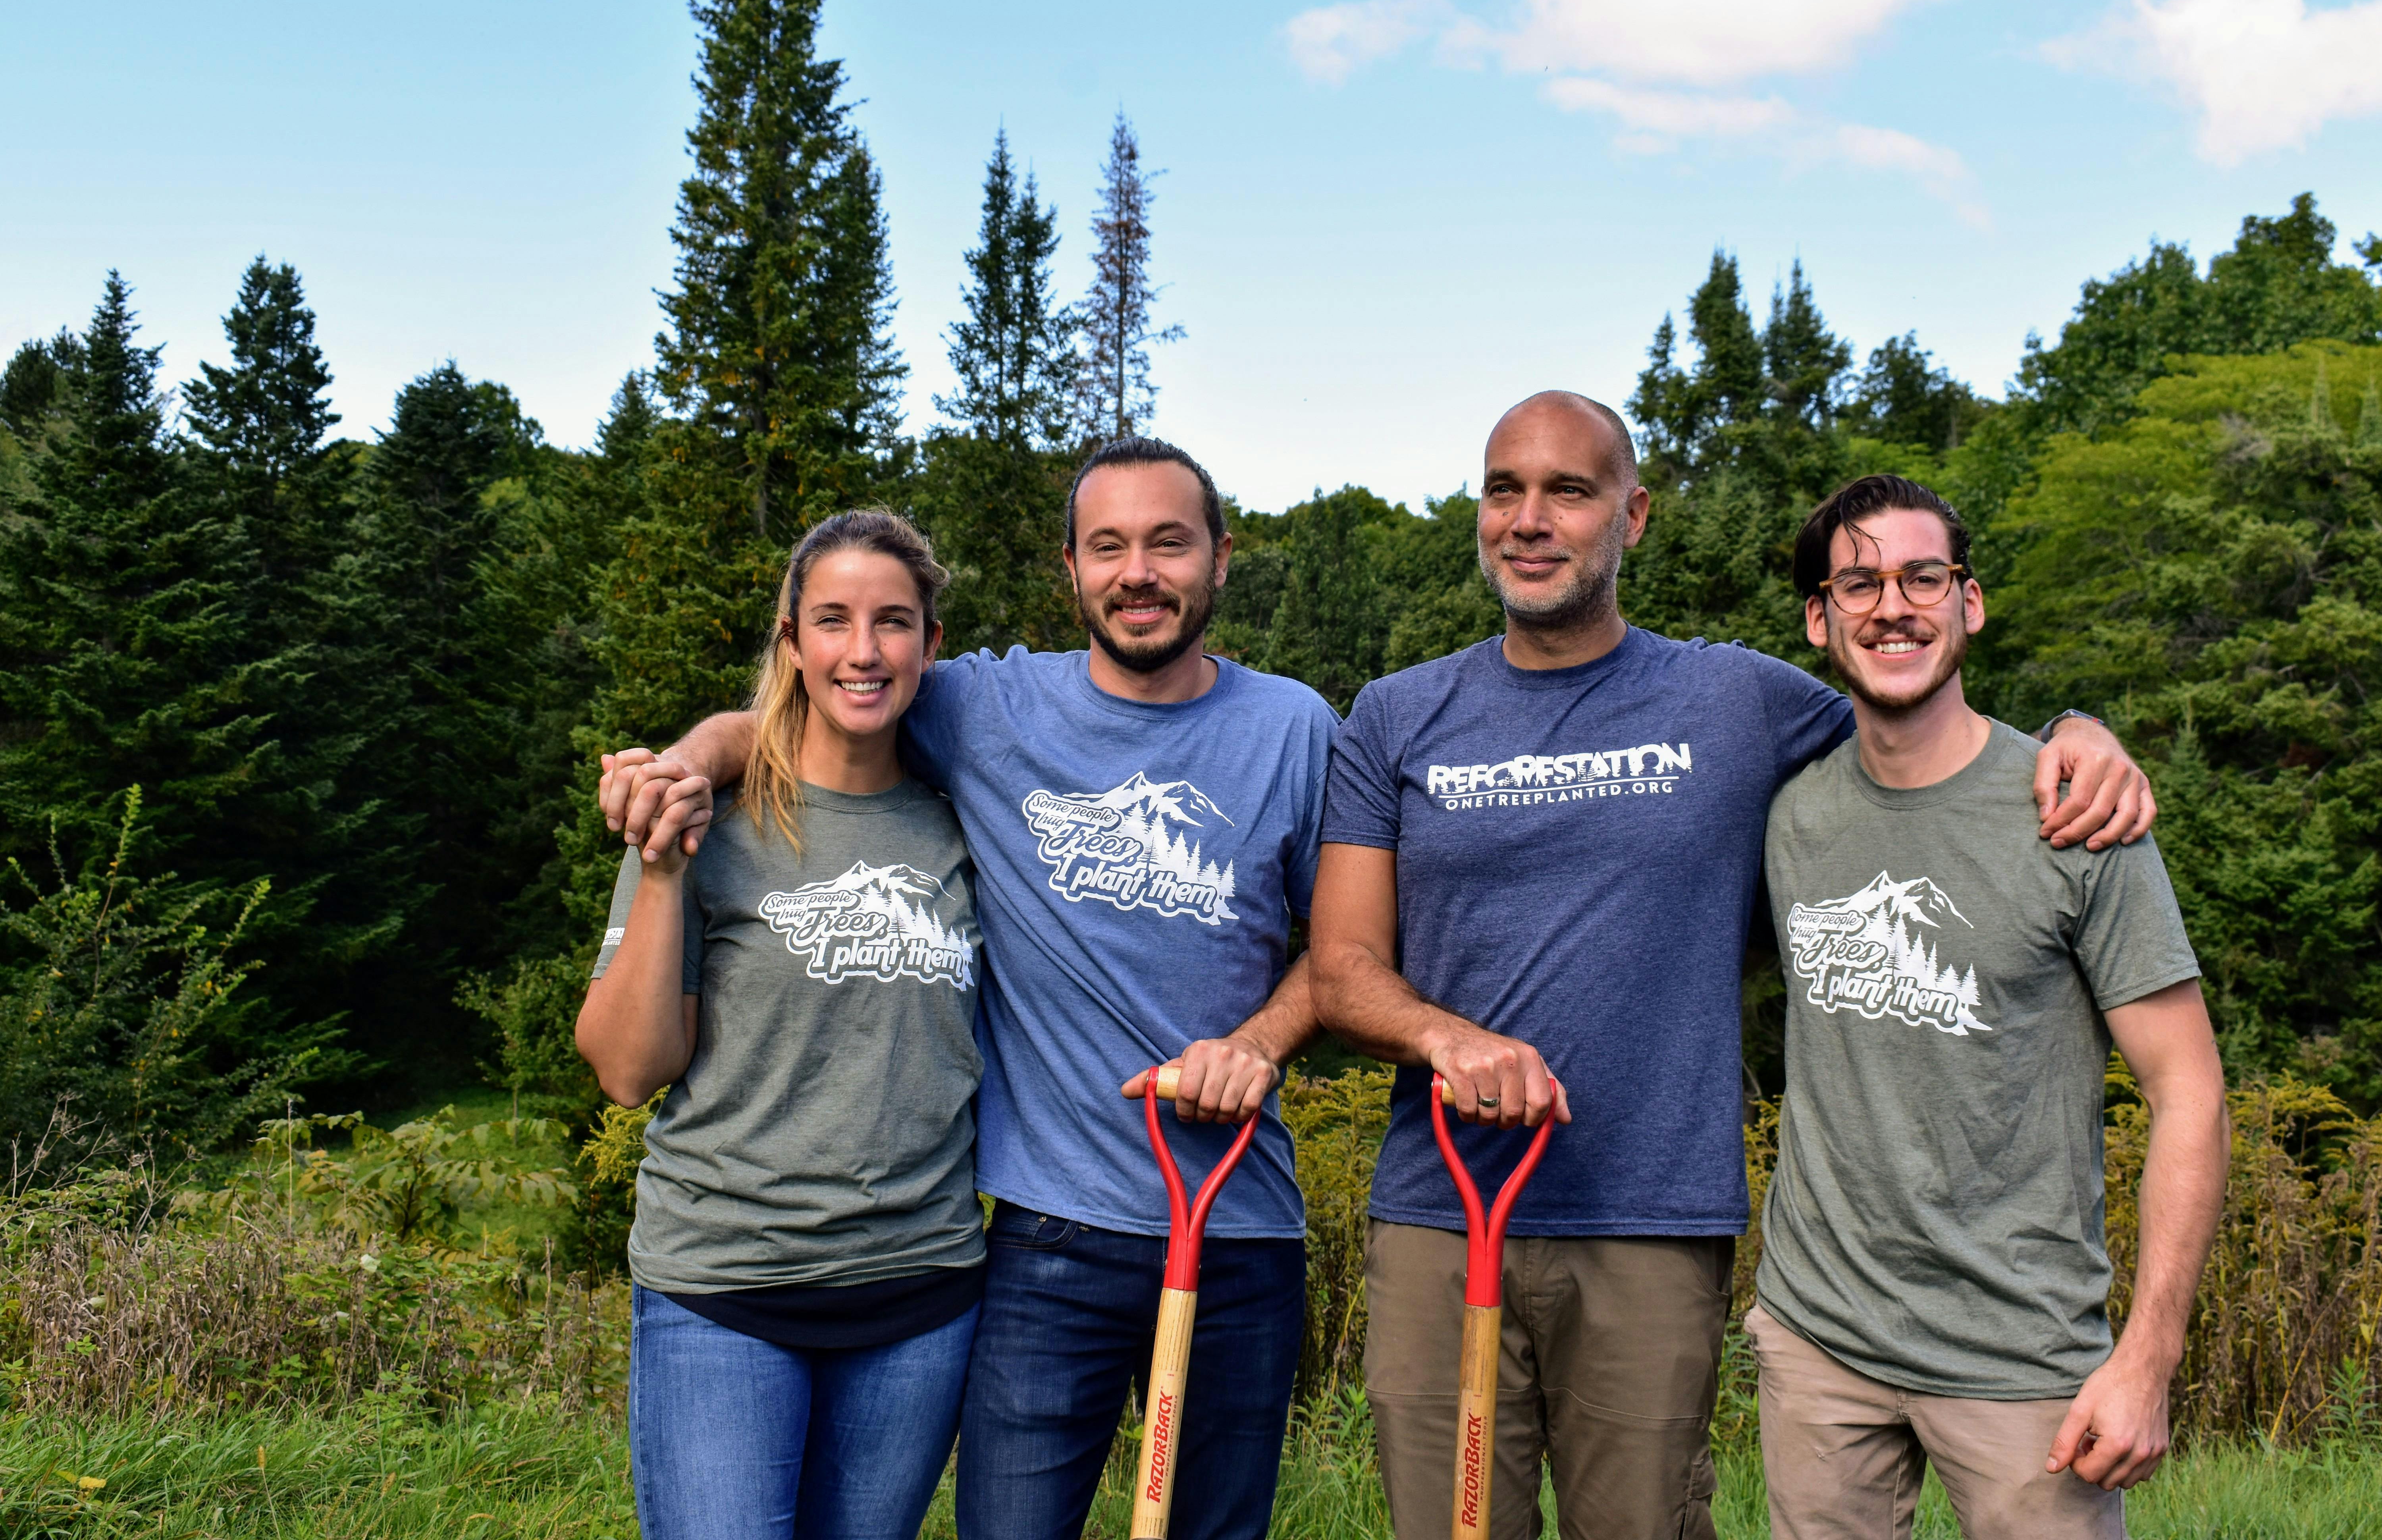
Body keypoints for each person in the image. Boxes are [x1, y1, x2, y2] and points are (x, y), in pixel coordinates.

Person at [1309, 391, 2160, 1540]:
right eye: (1505, 489)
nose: (1530, 518)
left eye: (1570, 490)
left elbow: (1917, 724)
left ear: (1634, 515)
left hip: (1652, 1216)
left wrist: (2075, 729)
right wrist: (1445, 1038)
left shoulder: (1738, 699)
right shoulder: (1397, 716)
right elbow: (1344, 966)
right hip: (1441, 1209)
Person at [601, 436, 1339, 1540]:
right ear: (1071, 569)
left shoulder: (1292, 729)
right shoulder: (978, 717)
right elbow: (812, 720)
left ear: (1222, 560)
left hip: (1163, 1234)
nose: (1138, 570)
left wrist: (1263, 1043)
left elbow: (1352, 953)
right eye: (1108, 545)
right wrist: (690, 761)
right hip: (1010, 1242)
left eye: (1168, 542)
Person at [1746, 473, 2227, 1538]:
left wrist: (2147, 1359)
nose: (1894, 605)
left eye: (1925, 576)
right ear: (1820, 619)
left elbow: (2188, 1092)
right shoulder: (1790, 821)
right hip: (1820, 1342)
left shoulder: (2077, 812)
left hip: (2024, 1361)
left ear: (1971, 602)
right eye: (1859, 583)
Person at [576, 511, 986, 1540]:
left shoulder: (966, 823)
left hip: (918, 1295)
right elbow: (630, 1070)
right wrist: (665, 873)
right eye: (833, 620)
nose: (863, 650)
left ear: (932, 645)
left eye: (893, 622)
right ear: (792, 642)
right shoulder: (700, 810)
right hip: (726, 1287)